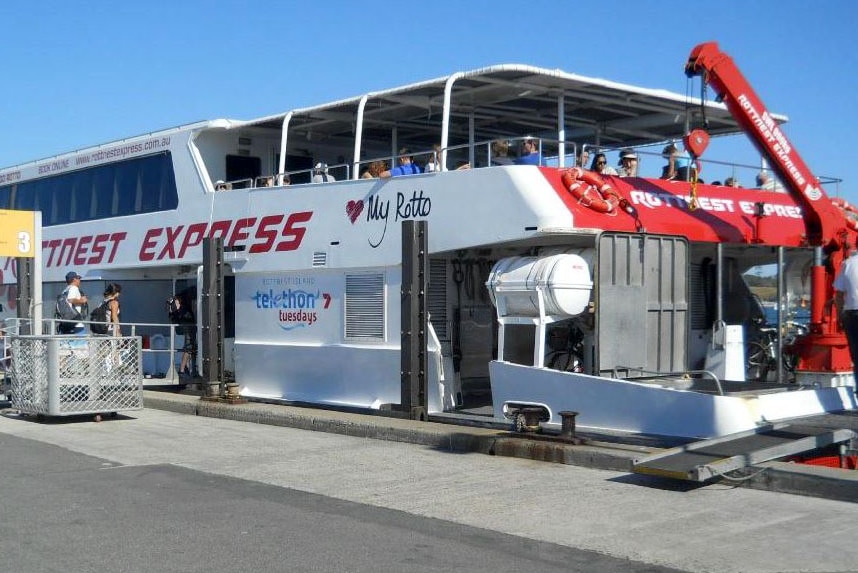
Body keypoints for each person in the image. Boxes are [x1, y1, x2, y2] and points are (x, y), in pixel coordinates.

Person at [833, 255, 858, 396]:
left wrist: (840, 316)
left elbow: (839, 294)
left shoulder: (848, 264)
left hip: (852, 314)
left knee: (856, 357)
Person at [168, 289, 197, 379]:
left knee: (190, 347)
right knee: (189, 347)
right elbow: (180, 313)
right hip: (188, 326)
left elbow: (173, 313)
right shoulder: (181, 302)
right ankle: (182, 369)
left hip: (187, 325)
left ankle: (187, 368)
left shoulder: (177, 301)